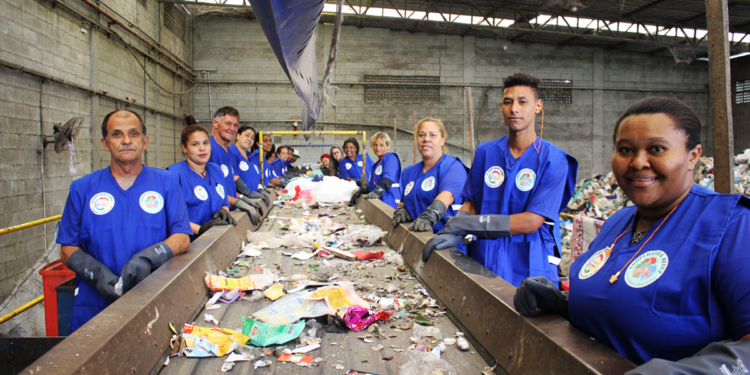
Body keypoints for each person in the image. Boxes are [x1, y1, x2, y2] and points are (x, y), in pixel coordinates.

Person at [514, 97, 750, 372]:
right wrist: (563, 305)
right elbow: (623, 307)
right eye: (625, 149)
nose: (638, 162)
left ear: (693, 156)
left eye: (657, 148)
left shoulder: (732, 226)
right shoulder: (619, 222)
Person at [422, 73, 578, 289]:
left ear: (538, 106)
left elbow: (532, 221)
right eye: (508, 102)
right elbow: (472, 202)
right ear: (501, 109)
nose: (514, 108)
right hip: (484, 254)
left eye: (523, 102)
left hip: (528, 261)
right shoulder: (486, 152)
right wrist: (454, 230)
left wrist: (465, 224)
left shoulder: (554, 160)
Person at [58, 109, 191, 332]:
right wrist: (97, 275)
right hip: (95, 302)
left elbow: (182, 237)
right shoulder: (82, 188)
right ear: (105, 142)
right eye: (117, 134)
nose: (127, 141)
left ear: (145, 141)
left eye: (134, 134)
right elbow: (67, 248)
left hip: (153, 295)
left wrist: (148, 258)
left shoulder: (166, 182)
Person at [393, 118, 468, 238]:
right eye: (422, 135)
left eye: (432, 135)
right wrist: (402, 208)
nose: (426, 139)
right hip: (418, 239)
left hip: (447, 243)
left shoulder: (453, 167)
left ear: (442, 140)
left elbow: (446, 197)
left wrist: (429, 216)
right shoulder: (409, 172)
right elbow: (404, 200)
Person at [167, 124, 235, 240]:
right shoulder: (173, 174)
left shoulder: (216, 170)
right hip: (189, 243)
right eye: (195, 144)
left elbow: (224, 202)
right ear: (184, 148)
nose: (202, 148)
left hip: (215, 237)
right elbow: (171, 218)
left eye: (205, 143)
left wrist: (224, 212)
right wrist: (200, 229)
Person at [208, 107, 261, 225]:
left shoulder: (227, 152)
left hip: (228, 214)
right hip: (214, 218)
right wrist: (238, 202)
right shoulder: (208, 148)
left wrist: (241, 198)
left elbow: (225, 188)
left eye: (235, 125)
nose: (232, 129)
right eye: (228, 124)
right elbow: (211, 190)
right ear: (215, 123)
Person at [351, 132, 401, 208]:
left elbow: (387, 179)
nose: (378, 148)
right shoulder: (376, 165)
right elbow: (373, 184)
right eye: (375, 145)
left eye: (381, 145)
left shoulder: (391, 158)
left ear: (388, 146)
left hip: (389, 202)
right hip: (379, 203)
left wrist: (378, 191)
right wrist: (364, 190)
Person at [228, 125, 271, 206]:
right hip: (237, 204)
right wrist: (247, 192)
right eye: (247, 135)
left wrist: (260, 189)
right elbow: (233, 176)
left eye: (252, 138)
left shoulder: (251, 156)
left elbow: (255, 177)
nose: (249, 139)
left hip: (252, 201)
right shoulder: (231, 152)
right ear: (238, 136)